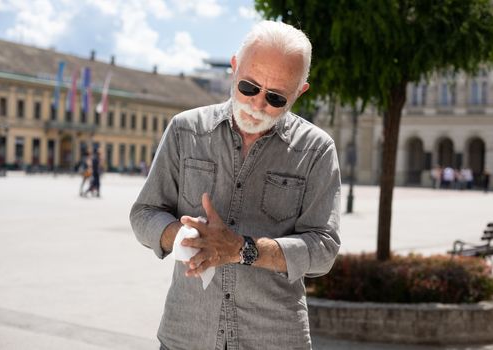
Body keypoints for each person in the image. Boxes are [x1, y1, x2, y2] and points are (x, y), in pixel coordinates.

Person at [130, 21, 341, 350]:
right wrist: (186, 237)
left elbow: (324, 249)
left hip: (274, 338)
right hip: (187, 334)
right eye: (249, 87)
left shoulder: (316, 150)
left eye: (275, 97)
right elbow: (144, 213)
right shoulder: (185, 130)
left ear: (299, 92)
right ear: (233, 68)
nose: (257, 105)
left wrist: (242, 249)